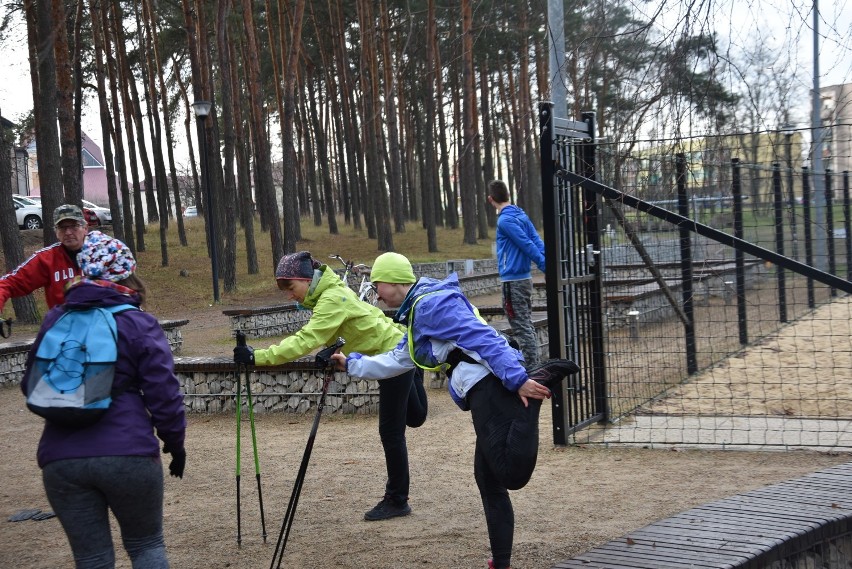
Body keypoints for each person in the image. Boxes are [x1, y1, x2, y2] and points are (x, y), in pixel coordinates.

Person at [330, 252, 579, 569]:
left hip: (490, 384)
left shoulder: (433, 304)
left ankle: (536, 393)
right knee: (489, 481)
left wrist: (518, 381)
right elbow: (396, 360)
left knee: (511, 474)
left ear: (394, 280)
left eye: (378, 285)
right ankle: (501, 563)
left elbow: (483, 337)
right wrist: (350, 363)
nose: (376, 293)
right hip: (481, 389)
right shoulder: (420, 310)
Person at [21, 230, 187, 568]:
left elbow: (31, 383)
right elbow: (163, 392)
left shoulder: (56, 318)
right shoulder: (138, 322)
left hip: (60, 460)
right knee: (145, 545)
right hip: (129, 452)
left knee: (91, 557)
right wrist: (175, 443)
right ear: (126, 270)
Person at [233, 251, 427, 521]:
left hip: (390, 357)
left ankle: (397, 500)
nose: (289, 295)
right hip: (395, 349)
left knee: (391, 433)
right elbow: (359, 319)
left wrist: (257, 357)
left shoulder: (331, 298)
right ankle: (415, 369)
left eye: (290, 288)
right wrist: (334, 346)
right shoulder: (332, 290)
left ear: (306, 280)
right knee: (416, 417)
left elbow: (305, 339)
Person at [487, 179, 546, 368]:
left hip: (513, 281)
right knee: (525, 324)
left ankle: (531, 370)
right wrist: (546, 261)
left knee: (520, 326)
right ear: (508, 196)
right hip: (524, 279)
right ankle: (532, 364)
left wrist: (546, 266)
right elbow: (536, 240)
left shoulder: (505, 220)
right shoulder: (521, 214)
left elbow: (526, 244)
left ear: (490, 199)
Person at [0, 204, 89, 314]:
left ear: (85, 228)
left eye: (74, 226)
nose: (68, 232)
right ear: (56, 232)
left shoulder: (105, 252)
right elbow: (8, 284)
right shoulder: (47, 259)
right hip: (63, 327)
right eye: (62, 227)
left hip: (101, 326)